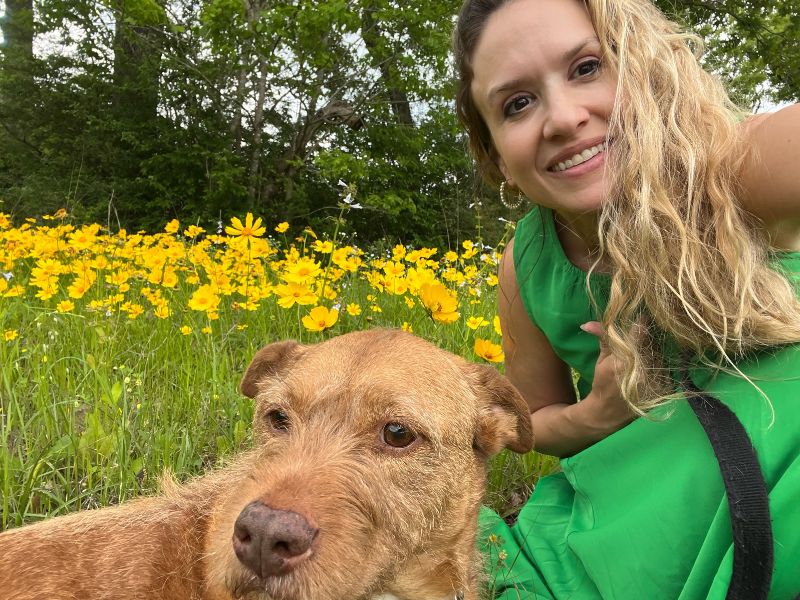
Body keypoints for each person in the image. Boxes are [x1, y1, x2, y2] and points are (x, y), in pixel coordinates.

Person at [453, 0, 800, 598]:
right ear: (497, 158)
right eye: (517, 104)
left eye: (586, 68)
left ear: (644, 68)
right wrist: (598, 415)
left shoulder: (734, 166)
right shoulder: (527, 264)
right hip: (636, 526)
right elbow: (532, 419)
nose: (561, 118)